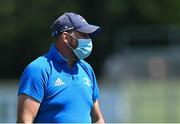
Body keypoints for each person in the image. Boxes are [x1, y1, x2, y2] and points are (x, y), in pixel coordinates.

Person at [16, 12, 104, 123]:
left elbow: (98, 119)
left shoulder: (87, 69)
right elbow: (24, 121)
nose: (88, 40)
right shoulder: (38, 69)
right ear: (66, 37)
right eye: (84, 35)